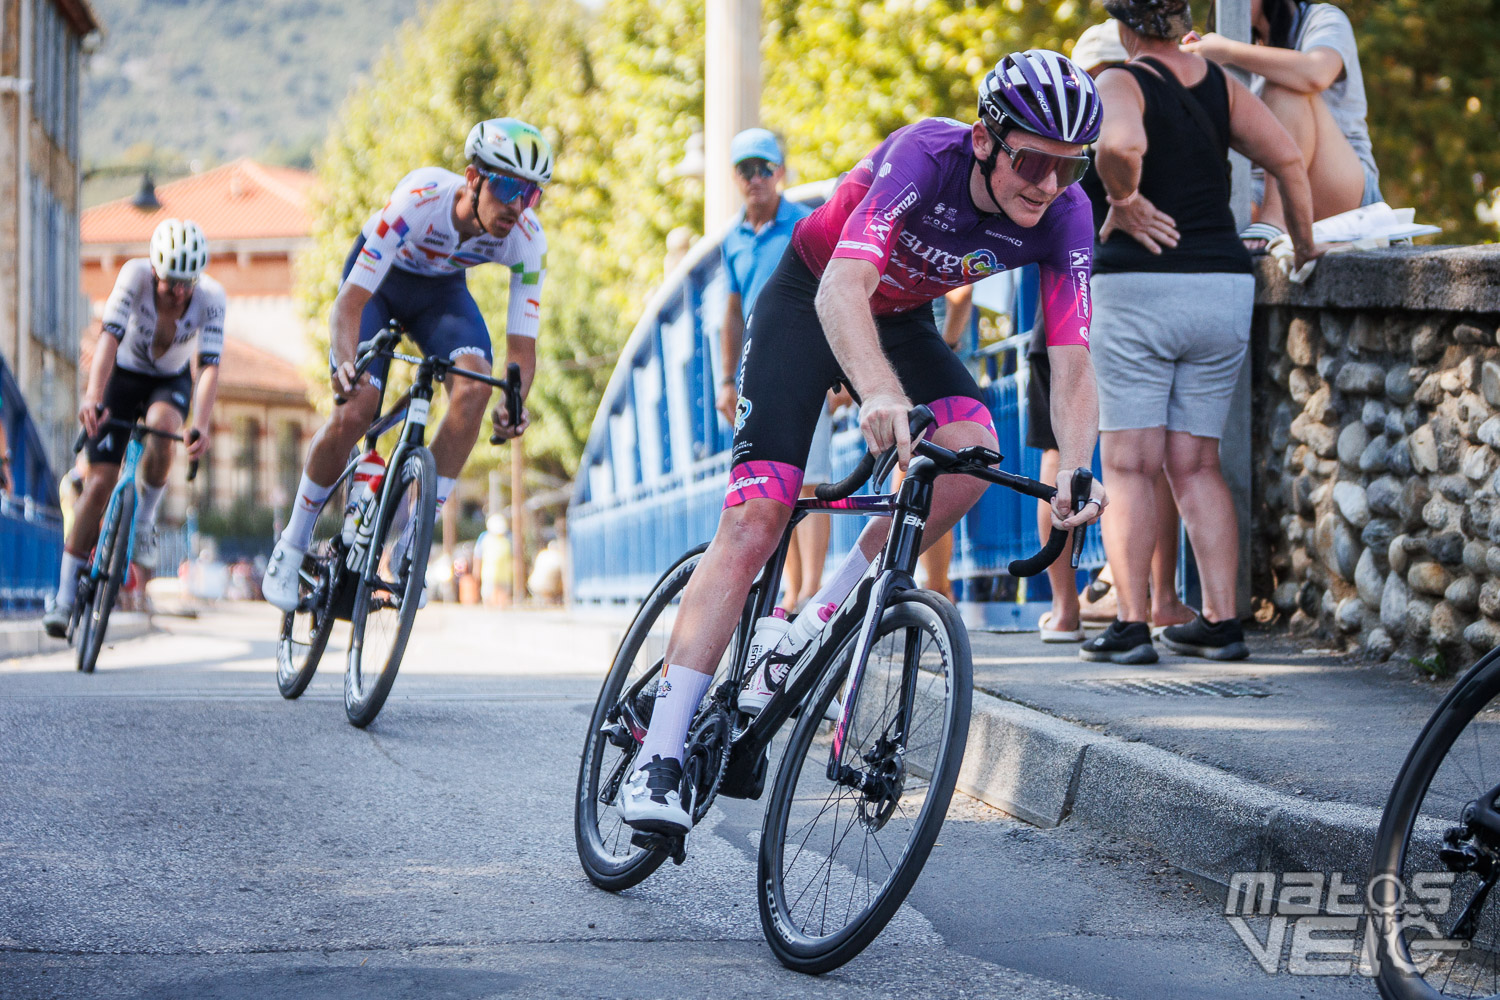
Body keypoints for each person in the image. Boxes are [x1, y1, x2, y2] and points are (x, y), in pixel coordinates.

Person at [619, 50, 1108, 838]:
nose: (1050, 184)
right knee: (757, 520)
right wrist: (877, 391)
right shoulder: (925, 155)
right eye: (1033, 160)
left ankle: (816, 619)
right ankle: (662, 753)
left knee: (972, 452)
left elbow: (1075, 358)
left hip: (901, 317)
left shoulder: (1066, 213)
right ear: (987, 139)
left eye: (1071, 166)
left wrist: (1081, 466)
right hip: (812, 295)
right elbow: (842, 289)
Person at [1080, 0, 1322, 664]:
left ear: (1126, 26)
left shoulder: (1120, 80)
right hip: (1221, 286)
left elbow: (1119, 144)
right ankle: (1221, 621)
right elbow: (1290, 160)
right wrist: (1304, 249)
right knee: (1197, 463)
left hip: (1138, 287)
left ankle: (1131, 625)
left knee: (1130, 462)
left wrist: (1124, 203)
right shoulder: (1220, 83)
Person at [261, 118, 552, 611]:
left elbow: (521, 347)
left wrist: (516, 400)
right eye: (506, 187)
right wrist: (346, 363)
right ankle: (291, 546)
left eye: (531, 193)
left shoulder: (527, 240)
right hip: (377, 287)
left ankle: (413, 541)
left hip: (440, 298)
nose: (517, 206)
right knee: (357, 408)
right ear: (473, 178)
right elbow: (349, 305)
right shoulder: (418, 201)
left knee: (476, 390)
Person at [1036, 18, 1195, 643]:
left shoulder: (1059, 137)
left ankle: (1071, 610)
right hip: (1135, 298)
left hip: (1068, 306)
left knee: (1060, 453)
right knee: (1143, 459)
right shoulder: (1153, 120)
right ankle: (1161, 601)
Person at [42, 219, 222, 637]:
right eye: (170, 283)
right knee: (100, 483)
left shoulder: (212, 298)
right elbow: (108, 337)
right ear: (155, 271)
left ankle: (144, 523)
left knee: (163, 427)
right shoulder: (134, 276)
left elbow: (209, 366)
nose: (179, 293)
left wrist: (202, 423)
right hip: (121, 375)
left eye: (187, 284)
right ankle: (65, 597)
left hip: (169, 381)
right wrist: (92, 396)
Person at [714, 128, 821, 614]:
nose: (755, 178)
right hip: (760, 367)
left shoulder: (807, 224)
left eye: (764, 168)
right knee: (778, 480)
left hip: (807, 356)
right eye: (746, 169)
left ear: (780, 171)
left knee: (814, 476)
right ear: (736, 178)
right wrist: (724, 379)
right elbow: (731, 314)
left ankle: (813, 590)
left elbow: (830, 293)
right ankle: (793, 591)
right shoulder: (731, 239)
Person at [1182, 0, 1380, 248]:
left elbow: (1316, 73)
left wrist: (1230, 51)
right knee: (1199, 223)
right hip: (1257, 188)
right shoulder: (1239, 47)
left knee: (1285, 85)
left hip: (1337, 184)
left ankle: (1277, 219)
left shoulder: (1324, 18)